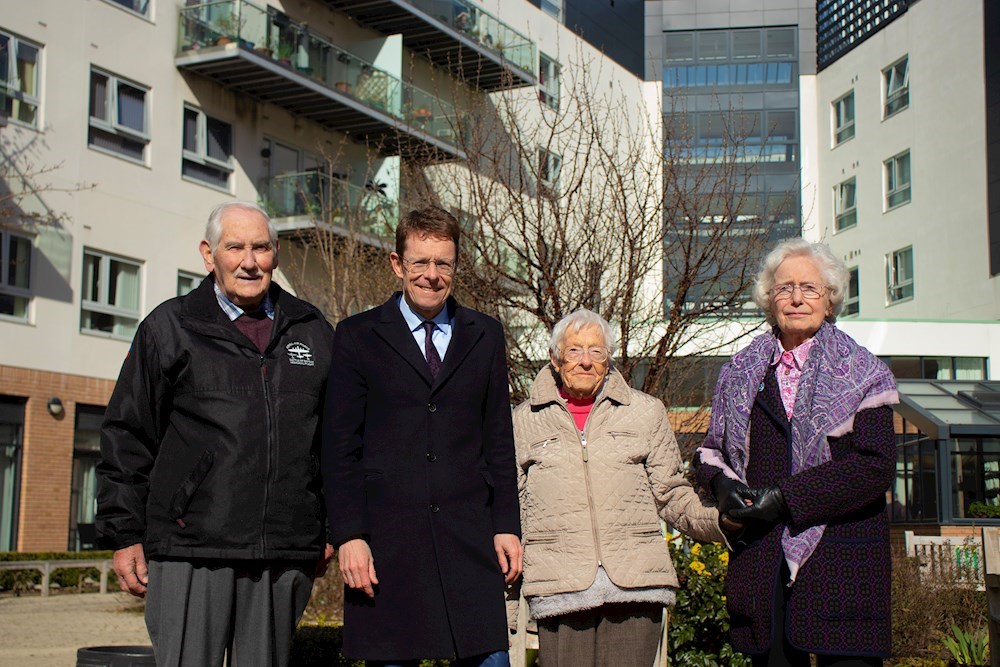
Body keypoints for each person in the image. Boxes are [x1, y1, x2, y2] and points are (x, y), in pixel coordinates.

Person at [96, 202, 335, 667]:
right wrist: (124, 534)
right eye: (235, 247)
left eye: (261, 247)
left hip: (283, 551)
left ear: (276, 254)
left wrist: (328, 528)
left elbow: (334, 440)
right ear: (209, 255)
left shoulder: (312, 330)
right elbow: (127, 434)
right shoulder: (170, 328)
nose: (250, 260)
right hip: (191, 549)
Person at [322, 206, 522, 666]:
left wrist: (507, 524)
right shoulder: (357, 336)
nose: (432, 275)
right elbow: (339, 447)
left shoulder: (485, 335)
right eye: (420, 262)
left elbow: (498, 440)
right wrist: (350, 534)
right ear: (398, 264)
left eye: (443, 264)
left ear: (456, 266)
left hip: (468, 541)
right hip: (388, 546)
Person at [695, 238, 898, 667]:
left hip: (842, 567)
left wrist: (787, 498)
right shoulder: (738, 373)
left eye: (810, 288)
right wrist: (723, 486)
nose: (797, 298)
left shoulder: (865, 373)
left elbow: (874, 466)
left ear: (830, 299)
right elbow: (711, 451)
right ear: (770, 300)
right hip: (764, 563)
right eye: (784, 288)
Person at [511, 308, 727, 667]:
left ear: (608, 359)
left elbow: (671, 492)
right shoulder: (521, 422)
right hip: (560, 586)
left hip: (635, 585)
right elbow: (511, 510)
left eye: (596, 351)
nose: (585, 361)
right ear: (554, 357)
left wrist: (722, 521)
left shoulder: (645, 412)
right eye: (575, 350)